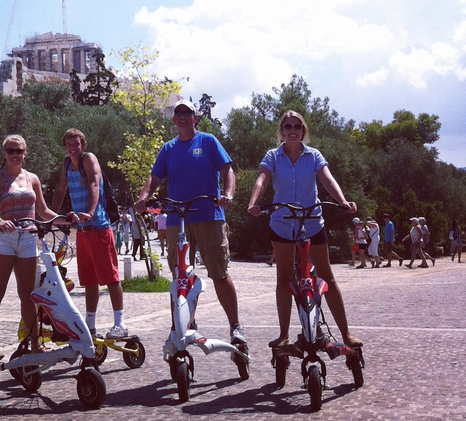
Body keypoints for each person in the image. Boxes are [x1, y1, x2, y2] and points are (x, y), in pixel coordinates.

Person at [135, 99, 247, 346]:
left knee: (219, 272)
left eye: (188, 113)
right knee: (179, 276)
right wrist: (144, 198)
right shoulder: (168, 148)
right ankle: (180, 325)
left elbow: (228, 170)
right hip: (177, 218)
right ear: (174, 120)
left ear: (195, 117)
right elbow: (154, 178)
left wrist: (227, 194)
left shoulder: (208, 141)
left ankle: (236, 327)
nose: (183, 117)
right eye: (179, 113)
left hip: (209, 215)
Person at [247, 110, 362, 348]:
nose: (292, 131)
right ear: (282, 131)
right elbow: (262, 179)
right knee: (284, 280)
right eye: (287, 126)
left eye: (297, 127)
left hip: (311, 222)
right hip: (282, 223)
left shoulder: (313, 155)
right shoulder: (273, 156)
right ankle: (283, 334)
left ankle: (346, 333)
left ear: (303, 131)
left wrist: (342, 201)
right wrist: (253, 202)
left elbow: (327, 179)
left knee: (327, 276)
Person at [0, 135, 62, 362]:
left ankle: (35, 345)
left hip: (27, 239)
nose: (15, 155)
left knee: (28, 296)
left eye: (19, 151)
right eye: (10, 150)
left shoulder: (32, 179)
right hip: (3, 240)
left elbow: (43, 212)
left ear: (25, 153)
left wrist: (66, 220)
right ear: (4, 153)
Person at [52, 128, 128, 339]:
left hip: (99, 227)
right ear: (65, 148)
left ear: (83, 145)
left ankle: (120, 324)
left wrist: (91, 212)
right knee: (90, 281)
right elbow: (60, 189)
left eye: (77, 144)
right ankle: (90, 325)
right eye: (69, 145)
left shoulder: (89, 159)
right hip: (83, 231)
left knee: (111, 278)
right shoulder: (67, 163)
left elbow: (95, 184)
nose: (73, 148)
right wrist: (49, 217)